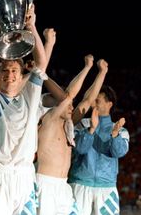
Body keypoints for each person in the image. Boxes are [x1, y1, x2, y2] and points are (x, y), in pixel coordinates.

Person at [0, 0, 48, 215]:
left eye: (14, 70)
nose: (9, 74)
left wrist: (32, 27)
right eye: (4, 70)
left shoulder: (30, 98)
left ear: (22, 74)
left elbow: (41, 64)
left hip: (24, 177)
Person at [36, 54, 95, 215]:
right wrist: (87, 68)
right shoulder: (49, 119)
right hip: (45, 185)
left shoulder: (67, 123)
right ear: (57, 104)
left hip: (63, 186)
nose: (72, 107)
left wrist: (100, 73)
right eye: (68, 105)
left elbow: (87, 101)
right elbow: (68, 97)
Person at [68, 84, 129, 215]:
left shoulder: (120, 130)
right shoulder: (82, 124)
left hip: (106, 188)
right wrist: (91, 129)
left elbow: (118, 152)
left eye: (97, 100)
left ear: (109, 104)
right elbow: (79, 149)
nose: (93, 103)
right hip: (80, 184)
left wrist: (115, 135)